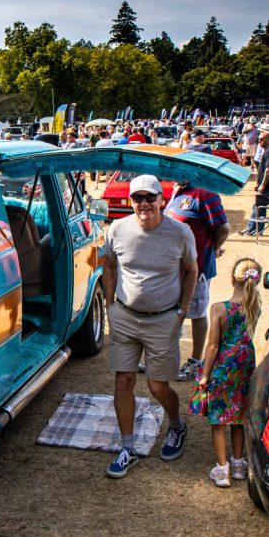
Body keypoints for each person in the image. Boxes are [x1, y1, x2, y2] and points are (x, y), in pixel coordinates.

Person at [102, 175, 197, 477]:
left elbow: (192, 269)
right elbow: (109, 266)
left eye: (149, 197)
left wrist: (182, 310)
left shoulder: (180, 232)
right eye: (137, 198)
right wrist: (109, 306)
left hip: (163, 319)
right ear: (131, 202)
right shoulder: (117, 229)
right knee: (123, 382)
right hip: (125, 317)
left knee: (158, 385)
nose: (144, 203)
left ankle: (177, 425)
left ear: (161, 199)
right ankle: (128, 447)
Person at [194, 258, 262, 487]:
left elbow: (212, 345)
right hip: (245, 364)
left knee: (219, 418)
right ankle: (238, 464)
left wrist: (205, 375)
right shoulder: (254, 306)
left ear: (232, 278)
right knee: (239, 417)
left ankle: (222, 469)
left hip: (224, 366)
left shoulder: (219, 309)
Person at [164, 181, 230, 381]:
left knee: (196, 312)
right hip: (174, 267)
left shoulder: (205, 192)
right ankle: (167, 360)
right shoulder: (178, 190)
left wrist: (211, 249)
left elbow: (223, 228)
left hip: (197, 267)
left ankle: (195, 361)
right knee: (174, 310)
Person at [240, 130, 269, 236]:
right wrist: (259, 184)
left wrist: (262, 185)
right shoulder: (267, 151)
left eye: (261, 139)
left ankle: (251, 230)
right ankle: (255, 229)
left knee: (257, 206)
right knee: (259, 207)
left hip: (268, 187)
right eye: (259, 139)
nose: (259, 141)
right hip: (266, 186)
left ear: (268, 140)